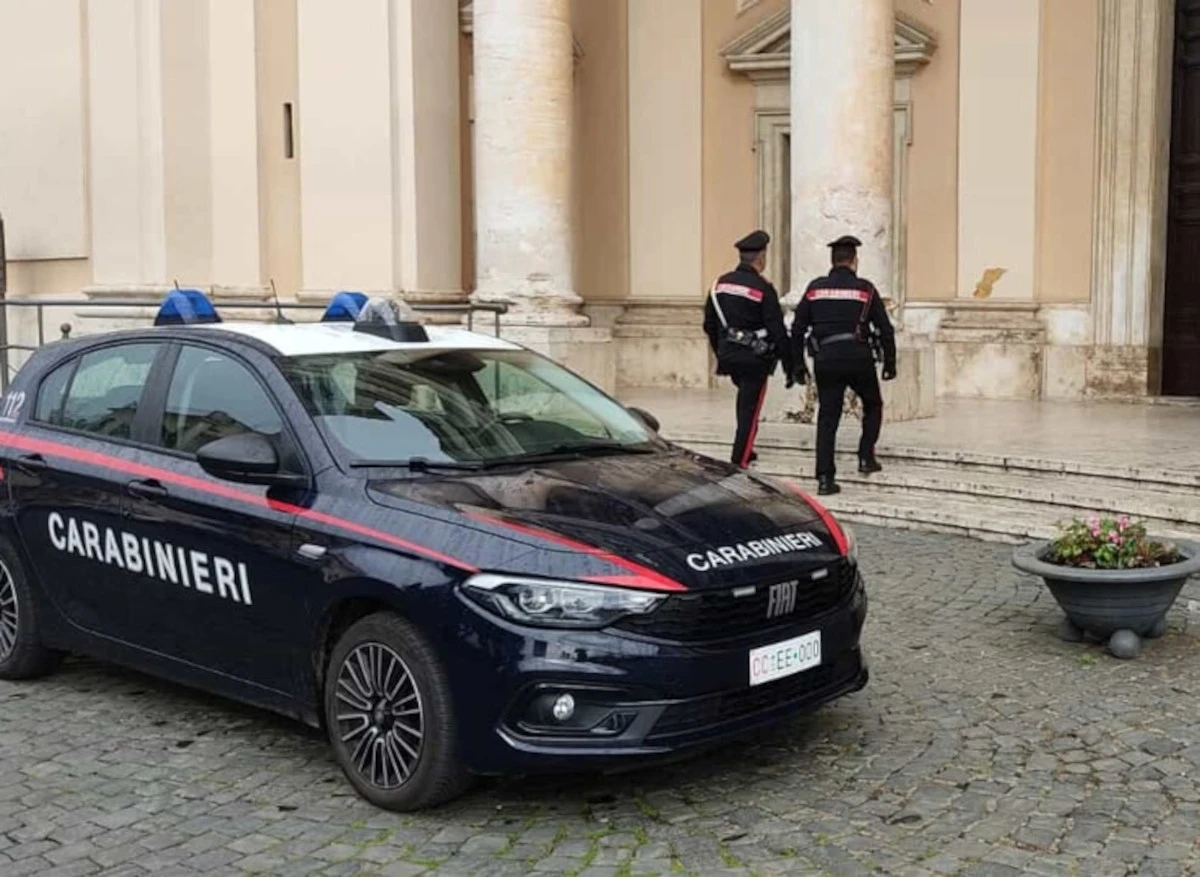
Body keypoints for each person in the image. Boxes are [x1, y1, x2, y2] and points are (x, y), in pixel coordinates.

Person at [789, 235, 896, 495]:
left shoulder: (815, 288)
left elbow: (798, 328)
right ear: (854, 261)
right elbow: (884, 328)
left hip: (826, 359)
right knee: (873, 404)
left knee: (827, 417)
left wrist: (798, 365)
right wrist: (890, 363)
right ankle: (866, 457)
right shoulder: (865, 289)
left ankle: (825, 478)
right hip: (859, 357)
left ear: (832, 261)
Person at [703, 229, 793, 469]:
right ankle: (739, 460)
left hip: (729, 356)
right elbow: (777, 330)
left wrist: (721, 351)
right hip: (755, 358)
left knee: (744, 403)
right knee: (749, 410)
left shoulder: (718, 285)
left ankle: (747, 449)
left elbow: (709, 324)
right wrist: (790, 363)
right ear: (761, 258)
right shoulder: (763, 288)